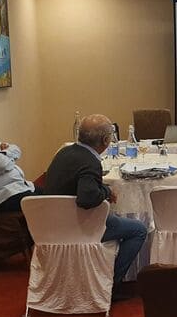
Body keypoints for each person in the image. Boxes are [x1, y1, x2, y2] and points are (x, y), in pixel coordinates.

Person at [43, 114, 147, 295]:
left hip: (52, 224)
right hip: (77, 226)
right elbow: (87, 198)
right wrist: (106, 192)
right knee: (138, 230)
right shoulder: (90, 161)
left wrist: (103, 188)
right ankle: (110, 286)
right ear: (106, 140)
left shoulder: (64, 152)